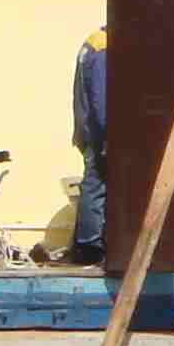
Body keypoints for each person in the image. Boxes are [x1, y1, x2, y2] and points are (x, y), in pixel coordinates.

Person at [66, 27, 111, 271]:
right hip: (97, 133)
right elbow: (101, 98)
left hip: (87, 129)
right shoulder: (104, 47)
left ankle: (85, 243)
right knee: (96, 184)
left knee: (93, 184)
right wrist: (109, 133)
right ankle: (89, 247)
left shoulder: (93, 41)